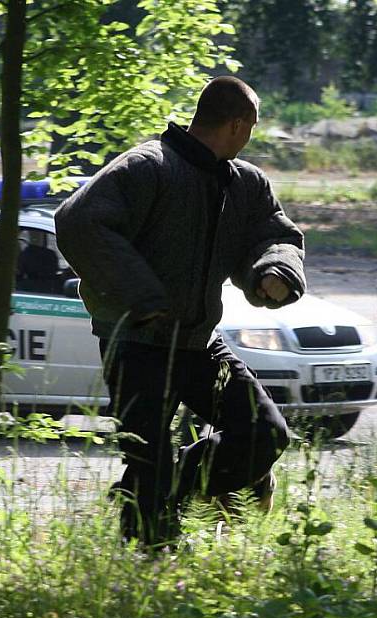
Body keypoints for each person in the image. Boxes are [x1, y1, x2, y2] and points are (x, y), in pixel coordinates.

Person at [55, 76, 306, 548]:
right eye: (250, 128)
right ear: (236, 124)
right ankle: (149, 554)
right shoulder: (147, 167)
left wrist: (274, 270)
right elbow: (78, 221)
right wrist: (143, 298)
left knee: (263, 433)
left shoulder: (245, 183)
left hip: (198, 343)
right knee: (147, 459)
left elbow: (277, 235)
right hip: (136, 340)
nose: (249, 138)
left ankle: (166, 491)